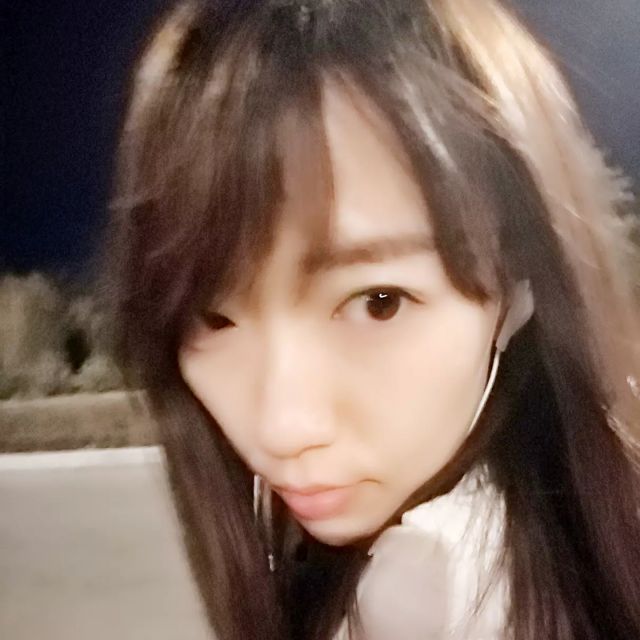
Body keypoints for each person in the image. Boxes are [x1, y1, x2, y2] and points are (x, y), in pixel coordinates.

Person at [106, 1, 640, 638]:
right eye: (212, 319)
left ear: (518, 289)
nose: (282, 429)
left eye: (378, 301)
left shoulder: (427, 591)